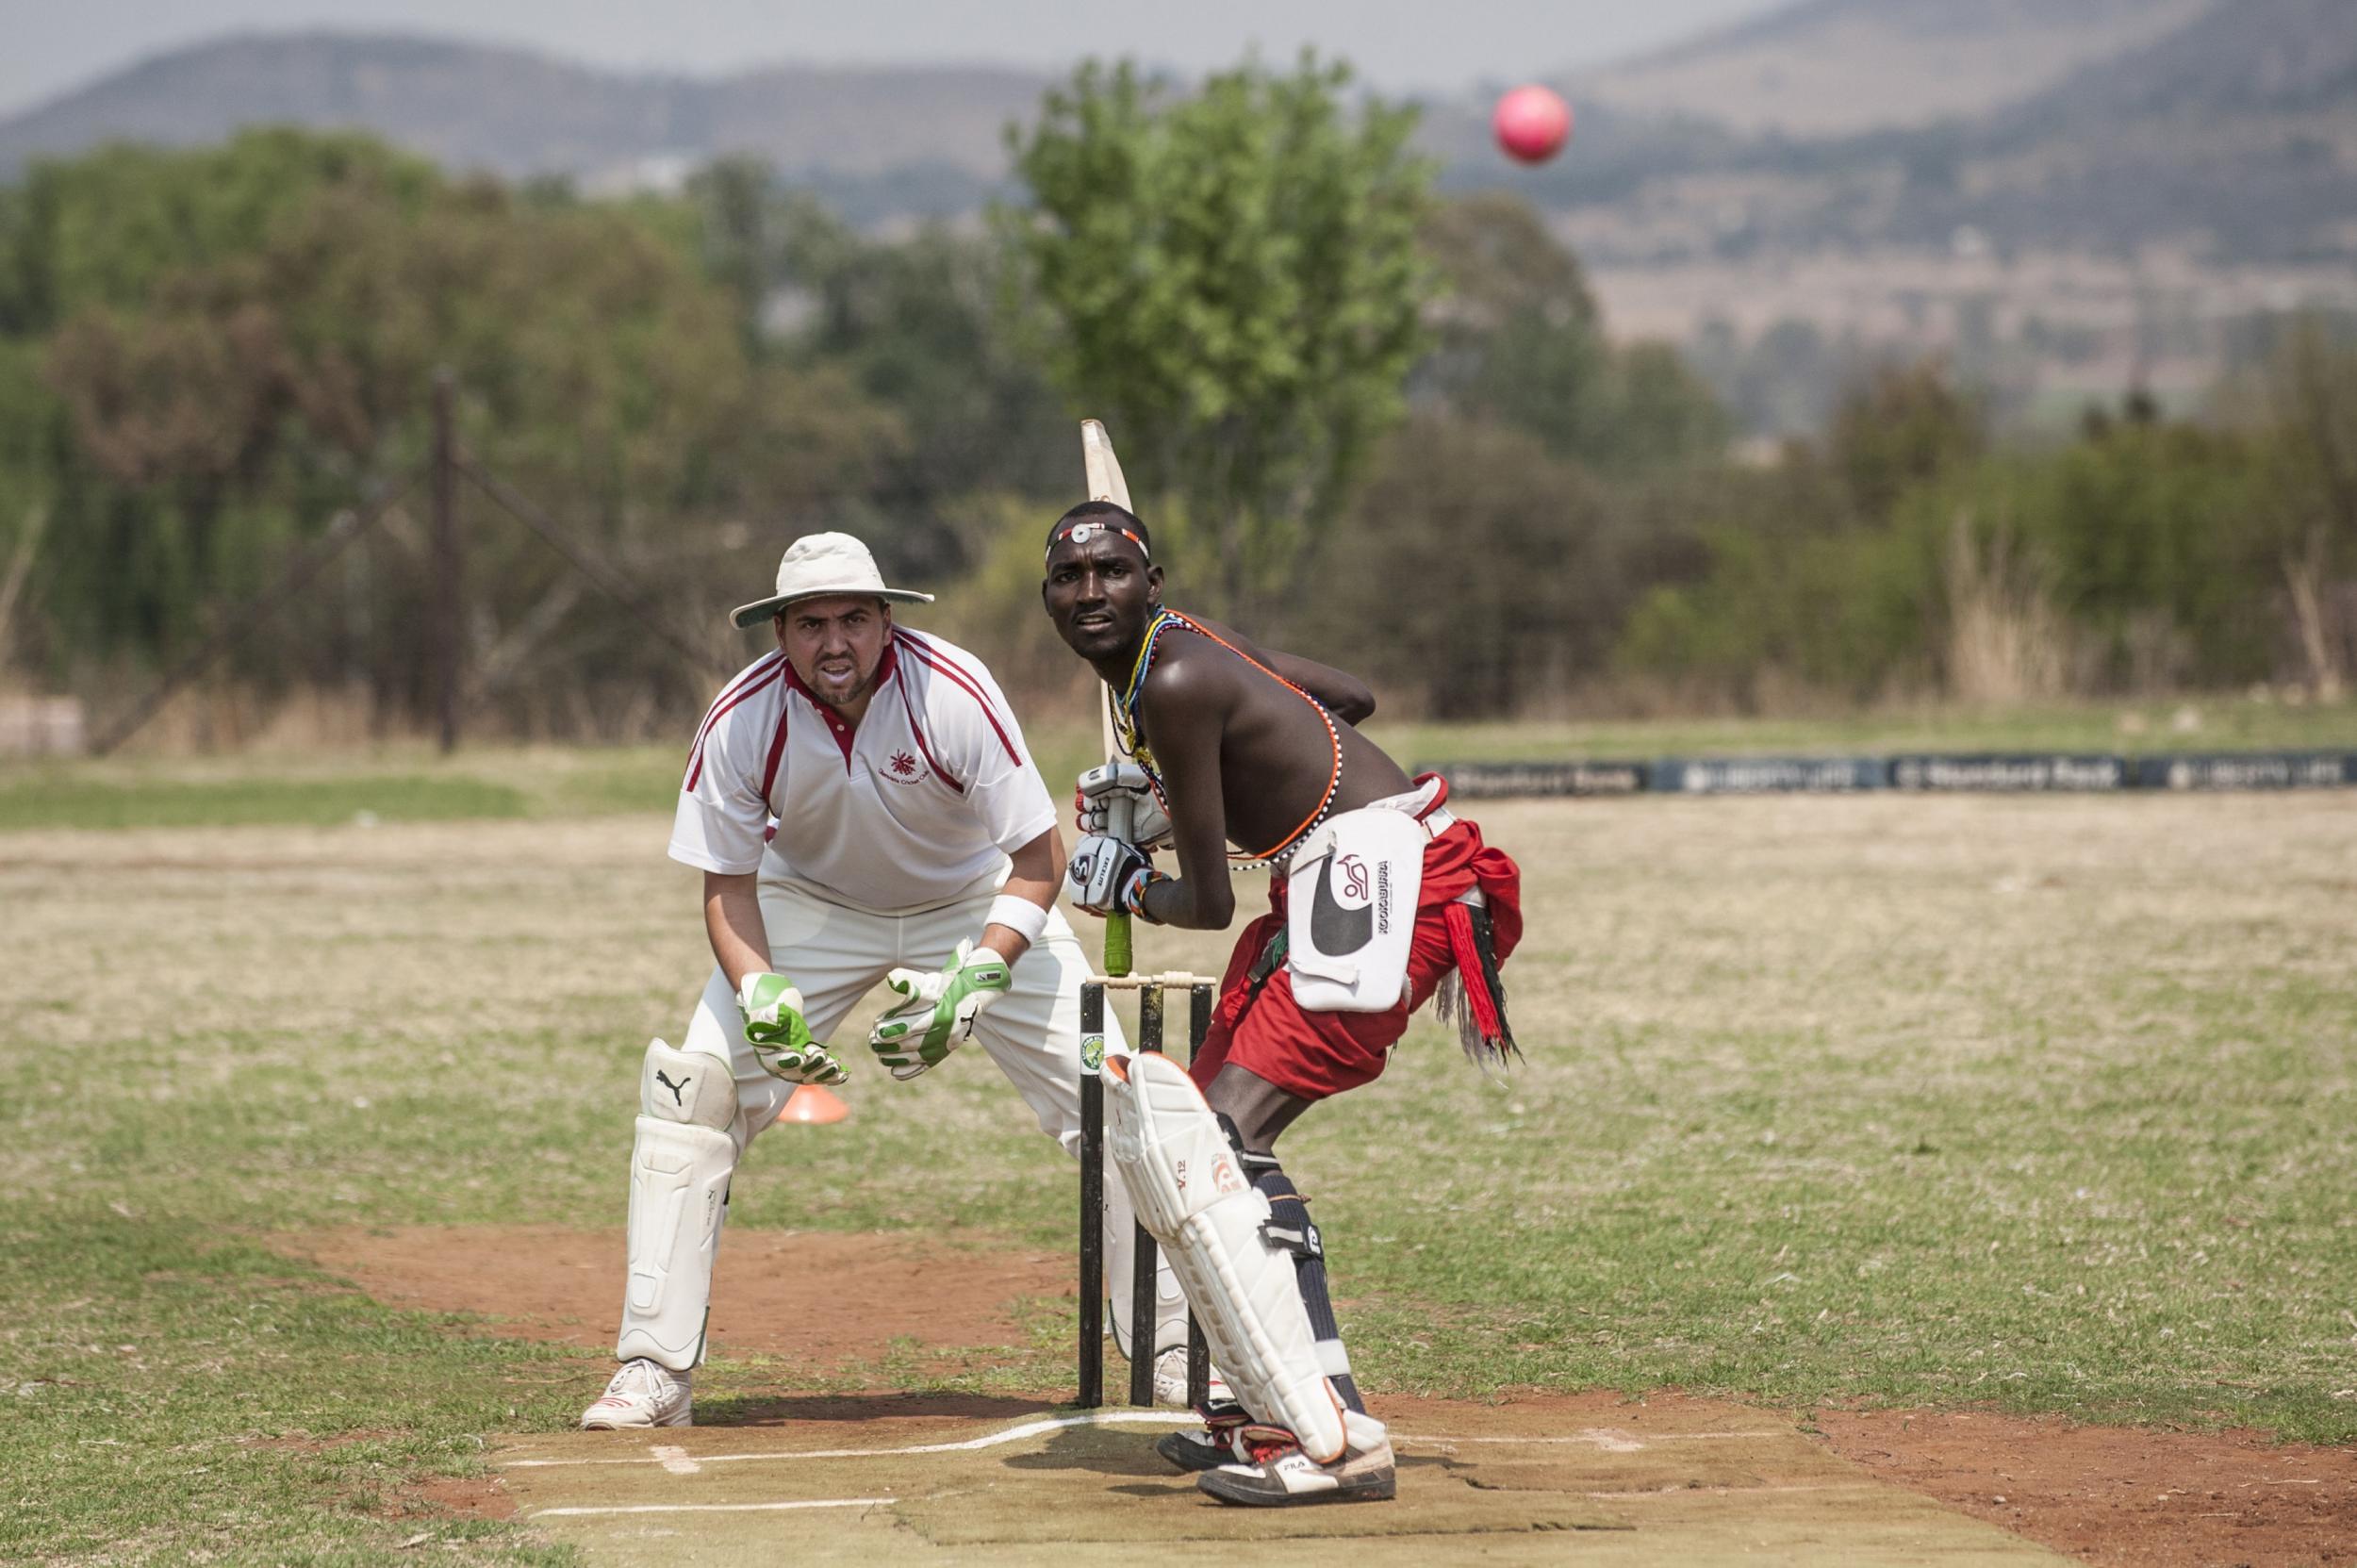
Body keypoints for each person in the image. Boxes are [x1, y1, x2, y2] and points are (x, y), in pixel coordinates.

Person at [582, 531, 1179, 1428]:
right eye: (812, 622)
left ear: (886, 619)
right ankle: (653, 1369)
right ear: (779, 630)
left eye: (855, 619)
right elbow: (727, 884)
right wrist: (758, 991)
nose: (835, 642)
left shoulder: (954, 691)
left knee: (1117, 1098)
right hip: (809, 905)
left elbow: (1037, 857)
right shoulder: (742, 717)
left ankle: (1171, 1347)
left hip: (973, 897)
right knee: (690, 1097)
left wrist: (979, 971)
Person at [1041, 503, 1524, 1507]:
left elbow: (1205, 903)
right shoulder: (1189, 651)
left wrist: (1125, 878)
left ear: (1149, 581)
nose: (1090, 592)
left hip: (1379, 887)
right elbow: (1350, 694)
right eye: (1069, 577)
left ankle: (1335, 1434)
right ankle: (1256, 1406)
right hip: (1337, 878)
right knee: (1186, 1135)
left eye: (1110, 573)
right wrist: (1185, 788)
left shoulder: (1172, 676)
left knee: (1214, 1148)